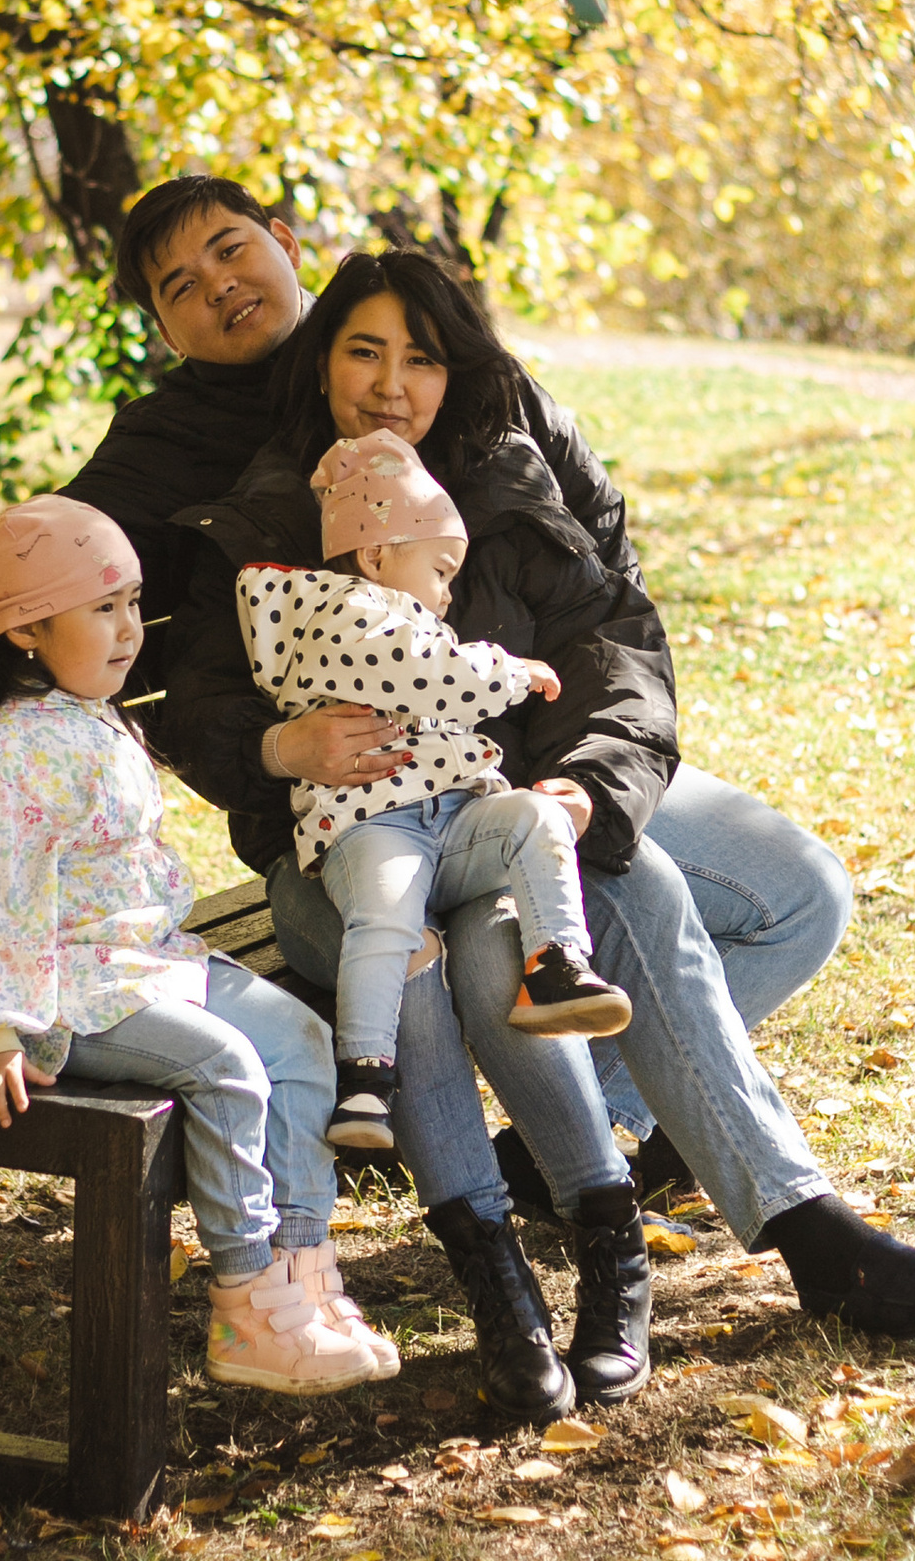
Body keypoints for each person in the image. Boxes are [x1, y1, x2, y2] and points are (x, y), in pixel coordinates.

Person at [0, 173, 856, 1223]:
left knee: (798, 894)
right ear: (164, 327)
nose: (218, 287)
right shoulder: (184, 446)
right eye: (179, 287)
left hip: (533, 760)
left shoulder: (449, 363)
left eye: (228, 250)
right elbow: (77, 532)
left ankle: (575, 1143)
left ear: (282, 238)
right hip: (354, 812)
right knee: (549, 917)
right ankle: (676, 1191)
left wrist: (583, 765)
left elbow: (602, 584)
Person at [166, 251, 915, 1420]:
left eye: (421, 358)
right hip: (344, 853)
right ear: (321, 361)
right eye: (364, 352)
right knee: (472, 952)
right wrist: (275, 746)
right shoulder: (270, 512)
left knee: (698, 884)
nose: (392, 384)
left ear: (457, 369)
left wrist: (587, 789)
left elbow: (611, 645)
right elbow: (195, 698)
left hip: (511, 804)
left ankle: (719, 1214)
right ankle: (532, 1277)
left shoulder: (507, 469)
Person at [0, 496, 395, 1398]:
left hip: (139, 961)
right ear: (25, 630)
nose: (131, 629)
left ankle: (300, 1276)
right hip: (59, 989)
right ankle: (245, 1304)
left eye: (134, 603)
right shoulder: (6, 753)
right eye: (104, 609)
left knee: (300, 1040)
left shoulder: (82, 710)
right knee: (225, 1065)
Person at [241, 425, 632, 1152]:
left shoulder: (405, 619)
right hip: (371, 823)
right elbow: (428, 674)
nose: (449, 595)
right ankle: (365, 1074)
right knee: (387, 917)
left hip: (451, 821)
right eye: (442, 570)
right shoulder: (339, 614)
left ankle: (556, 966)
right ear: (377, 553)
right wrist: (511, 672)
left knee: (534, 817)